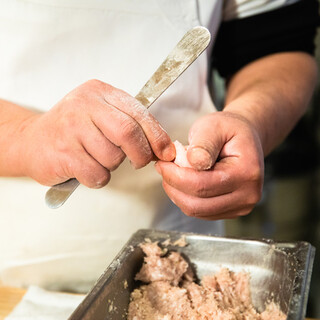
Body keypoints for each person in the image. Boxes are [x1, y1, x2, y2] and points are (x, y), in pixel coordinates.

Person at [0, 0, 318, 293]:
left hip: (180, 261)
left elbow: (277, 46)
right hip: (11, 273)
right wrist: (23, 134)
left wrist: (251, 120)